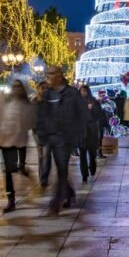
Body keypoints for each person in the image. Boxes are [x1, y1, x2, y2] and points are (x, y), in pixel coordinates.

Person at [35, 65, 86, 215]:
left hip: (66, 137)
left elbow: (82, 115)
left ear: (59, 75)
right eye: (47, 73)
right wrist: (42, 134)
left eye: (51, 74)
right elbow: (42, 115)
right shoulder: (47, 94)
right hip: (51, 136)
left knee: (62, 168)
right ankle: (70, 194)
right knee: (59, 167)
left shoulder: (72, 93)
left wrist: (79, 135)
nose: (48, 76)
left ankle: (56, 201)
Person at [0, 80, 35, 213]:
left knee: (20, 166)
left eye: (18, 87)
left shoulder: (26, 105)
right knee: (8, 171)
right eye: (14, 87)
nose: (16, 89)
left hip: (20, 140)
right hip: (6, 141)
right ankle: (11, 199)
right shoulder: (6, 103)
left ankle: (23, 170)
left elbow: (31, 122)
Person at [79, 85, 102, 183]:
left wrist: (92, 109)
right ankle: (84, 174)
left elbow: (99, 114)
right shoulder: (77, 102)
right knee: (82, 155)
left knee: (92, 153)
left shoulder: (93, 101)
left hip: (91, 131)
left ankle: (92, 165)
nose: (83, 93)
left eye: (85, 91)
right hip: (81, 132)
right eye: (81, 91)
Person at [32, 80, 52, 186]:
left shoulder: (51, 102)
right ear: (38, 89)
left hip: (48, 132)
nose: (44, 90)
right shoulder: (34, 101)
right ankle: (42, 177)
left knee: (47, 155)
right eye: (42, 88)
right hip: (37, 132)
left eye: (46, 88)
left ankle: (44, 176)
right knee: (41, 156)